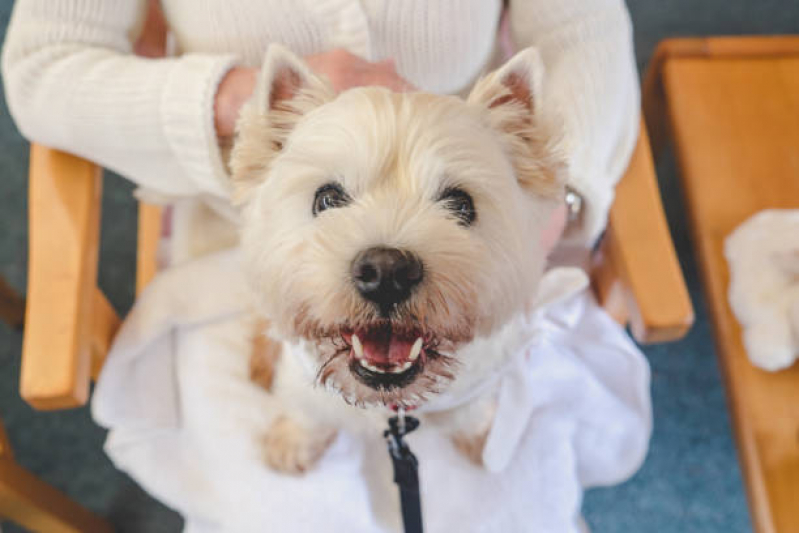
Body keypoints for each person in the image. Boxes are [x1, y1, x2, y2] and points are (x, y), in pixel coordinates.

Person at [2, 0, 639, 253]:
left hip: (481, 226)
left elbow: (581, 30)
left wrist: (556, 203)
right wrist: (242, 97)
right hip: (241, 238)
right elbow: (41, 69)